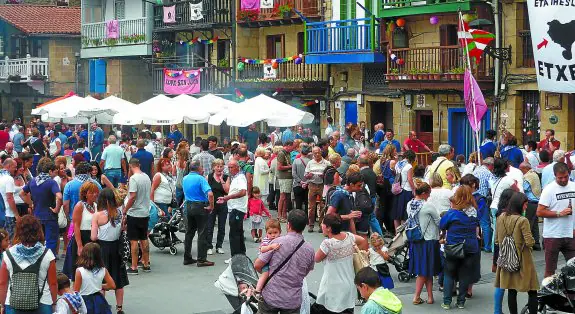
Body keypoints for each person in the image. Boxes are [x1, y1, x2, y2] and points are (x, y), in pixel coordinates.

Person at [254, 210, 315, 314]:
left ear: (288, 225)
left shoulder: (277, 242)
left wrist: (266, 273)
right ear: (305, 226)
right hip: (292, 300)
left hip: (270, 296)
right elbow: (305, 273)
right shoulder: (310, 250)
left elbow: (258, 265)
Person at [0, 215, 58, 314]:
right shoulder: (47, 254)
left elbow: (3, 283)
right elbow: (53, 283)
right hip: (42, 304)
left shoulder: (8, 255)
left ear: (18, 232)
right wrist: (54, 303)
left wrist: (2, 304)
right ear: (39, 231)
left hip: (13, 305)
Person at [314, 213, 368, 313]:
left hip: (333, 287)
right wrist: (351, 251)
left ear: (329, 228)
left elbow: (316, 259)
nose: (321, 225)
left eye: (323, 224)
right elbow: (363, 241)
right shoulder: (349, 237)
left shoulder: (328, 244)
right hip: (349, 283)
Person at [494, 193, 539, 314]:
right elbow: (529, 242)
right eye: (525, 204)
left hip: (506, 259)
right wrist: (532, 241)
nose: (526, 207)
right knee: (532, 290)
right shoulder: (522, 220)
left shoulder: (501, 217)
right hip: (523, 260)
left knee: (511, 290)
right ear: (520, 204)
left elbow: (497, 240)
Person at [439, 185, 480, 310]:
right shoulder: (474, 212)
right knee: (464, 275)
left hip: (453, 246)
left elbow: (442, 225)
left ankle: (446, 302)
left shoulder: (453, 213)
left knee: (449, 273)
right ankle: (461, 302)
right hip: (470, 247)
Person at [90, 188, 128, 314]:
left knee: (101, 279)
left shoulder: (97, 215)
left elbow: (93, 237)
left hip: (103, 249)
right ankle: (119, 307)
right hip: (117, 248)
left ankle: (102, 307)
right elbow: (122, 228)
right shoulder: (119, 212)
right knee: (119, 280)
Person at [536, 162, 575, 277]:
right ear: (554, 176)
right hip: (553, 235)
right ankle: (548, 293)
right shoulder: (549, 189)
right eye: (560, 178)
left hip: (570, 234)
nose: (563, 180)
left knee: (573, 269)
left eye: (566, 177)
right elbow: (539, 212)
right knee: (550, 270)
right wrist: (560, 213)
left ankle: (570, 294)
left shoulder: (573, 186)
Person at [406, 180, 440, 305]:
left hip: (416, 239)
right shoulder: (428, 206)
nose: (429, 196)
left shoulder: (410, 204)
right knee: (424, 271)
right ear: (424, 193)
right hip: (428, 240)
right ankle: (416, 296)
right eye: (429, 193)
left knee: (426, 270)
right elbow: (439, 221)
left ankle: (430, 297)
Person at [20, 159, 63, 256]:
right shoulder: (51, 182)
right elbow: (59, 196)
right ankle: (50, 262)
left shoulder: (32, 181)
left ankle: (38, 260)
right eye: (54, 171)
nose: (55, 174)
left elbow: (22, 193)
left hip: (37, 215)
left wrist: (31, 203)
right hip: (50, 216)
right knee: (51, 241)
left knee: (38, 240)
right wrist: (57, 209)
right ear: (50, 171)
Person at [180, 159, 215, 267]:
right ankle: (201, 258)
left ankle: (187, 256)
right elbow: (210, 194)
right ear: (199, 168)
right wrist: (211, 206)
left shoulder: (185, 178)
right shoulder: (201, 179)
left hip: (189, 205)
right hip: (199, 205)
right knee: (202, 232)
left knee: (189, 232)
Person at [62, 181, 99, 280]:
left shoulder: (96, 206)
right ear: (85, 194)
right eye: (91, 192)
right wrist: (79, 245)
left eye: (96, 192)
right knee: (80, 269)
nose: (94, 194)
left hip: (93, 239)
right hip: (82, 237)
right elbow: (76, 226)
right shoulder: (80, 206)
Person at [124, 158, 152, 275]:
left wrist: (125, 210)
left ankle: (134, 266)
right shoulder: (146, 177)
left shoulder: (134, 179)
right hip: (145, 211)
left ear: (130, 166)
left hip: (135, 213)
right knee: (144, 239)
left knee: (134, 240)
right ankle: (146, 263)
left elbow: (132, 196)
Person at [73, 242, 116, 314]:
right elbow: (112, 285)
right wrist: (100, 286)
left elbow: (76, 292)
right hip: (98, 299)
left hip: (85, 301)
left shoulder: (79, 271)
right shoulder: (103, 270)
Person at [220, 159, 248, 261]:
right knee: (238, 232)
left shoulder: (240, 178)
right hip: (235, 208)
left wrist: (228, 197)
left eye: (232, 167)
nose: (230, 169)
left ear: (237, 167)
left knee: (234, 234)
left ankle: (235, 257)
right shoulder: (235, 177)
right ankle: (241, 255)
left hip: (237, 208)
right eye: (229, 167)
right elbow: (229, 190)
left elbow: (242, 192)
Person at [489, 158, 519, 248]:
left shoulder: (494, 179)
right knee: (502, 231)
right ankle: (499, 250)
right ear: (505, 167)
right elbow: (517, 191)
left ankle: (495, 250)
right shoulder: (508, 179)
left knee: (496, 229)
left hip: (493, 206)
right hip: (501, 207)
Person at [304, 146, 331, 232]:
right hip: (312, 185)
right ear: (313, 153)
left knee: (323, 206)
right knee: (311, 207)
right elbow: (305, 174)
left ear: (321, 152)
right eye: (315, 153)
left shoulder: (326, 163)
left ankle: (321, 225)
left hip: (322, 185)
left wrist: (324, 176)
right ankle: (311, 225)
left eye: (318, 152)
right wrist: (309, 175)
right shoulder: (310, 163)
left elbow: (330, 174)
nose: (317, 154)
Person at [206, 159, 228, 256]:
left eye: (221, 166)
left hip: (222, 204)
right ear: (213, 167)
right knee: (210, 226)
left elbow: (227, 191)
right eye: (217, 166)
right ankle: (209, 246)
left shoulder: (226, 177)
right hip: (211, 204)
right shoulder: (209, 177)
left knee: (222, 226)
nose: (219, 168)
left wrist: (222, 180)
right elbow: (205, 191)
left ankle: (219, 246)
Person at [254, 219, 282, 294]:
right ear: (266, 233)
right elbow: (262, 249)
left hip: (274, 261)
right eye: (270, 233)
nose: (273, 235)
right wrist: (270, 247)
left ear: (280, 232)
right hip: (265, 261)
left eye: (275, 232)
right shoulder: (266, 240)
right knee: (265, 274)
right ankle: (257, 290)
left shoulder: (281, 239)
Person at [520, 162, 542, 251]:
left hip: (530, 202)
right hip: (536, 202)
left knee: (528, 224)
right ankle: (536, 243)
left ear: (525, 168)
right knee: (535, 224)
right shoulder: (535, 174)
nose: (521, 172)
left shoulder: (528, 176)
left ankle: (528, 244)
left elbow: (524, 188)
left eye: (521, 169)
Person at [393, 150, 416, 230]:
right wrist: (414, 189)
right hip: (406, 191)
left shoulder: (398, 164)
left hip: (398, 190)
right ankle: (403, 234)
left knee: (396, 214)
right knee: (404, 215)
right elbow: (410, 179)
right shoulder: (409, 166)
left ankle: (396, 233)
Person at [0, 159, 21, 239]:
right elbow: (10, 198)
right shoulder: (9, 179)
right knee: (9, 240)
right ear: (8, 166)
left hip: (1, 213)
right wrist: (17, 215)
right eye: (14, 167)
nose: (16, 169)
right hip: (8, 214)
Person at [276, 141, 293, 222]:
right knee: (283, 197)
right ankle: (279, 215)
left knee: (286, 197)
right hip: (284, 177)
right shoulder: (281, 153)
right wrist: (290, 166)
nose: (292, 149)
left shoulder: (287, 153)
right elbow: (279, 167)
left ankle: (284, 215)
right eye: (292, 147)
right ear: (288, 145)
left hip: (287, 177)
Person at [292, 145, 311, 212]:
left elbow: (293, 173)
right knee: (307, 203)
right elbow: (311, 174)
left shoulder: (296, 161)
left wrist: (300, 181)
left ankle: (297, 218)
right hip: (308, 185)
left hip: (297, 185)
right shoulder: (310, 161)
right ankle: (306, 219)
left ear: (301, 152)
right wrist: (306, 182)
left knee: (298, 203)